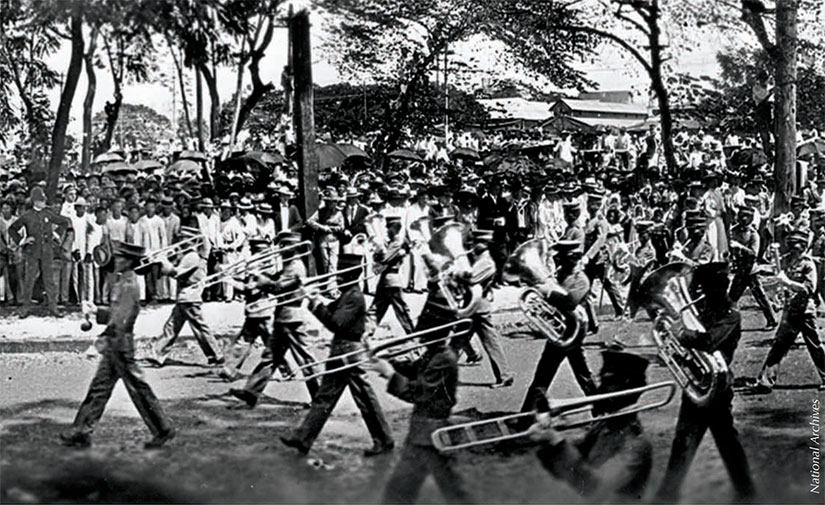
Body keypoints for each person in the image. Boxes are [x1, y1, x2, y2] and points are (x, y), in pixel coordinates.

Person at [58, 241, 175, 449]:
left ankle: (163, 428)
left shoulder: (129, 284)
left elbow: (122, 318)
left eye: (120, 258)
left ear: (129, 261)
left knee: (136, 389)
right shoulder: (124, 281)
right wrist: (96, 311)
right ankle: (82, 430)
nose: (116, 261)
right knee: (100, 388)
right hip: (117, 342)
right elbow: (116, 313)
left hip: (120, 343)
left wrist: (104, 337)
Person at [655, 262, 756, 501]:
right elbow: (685, 335)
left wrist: (681, 333)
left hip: (717, 385)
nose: (702, 291)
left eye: (709, 287)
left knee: (726, 442)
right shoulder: (700, 308)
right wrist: (667, 325)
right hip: (696, 382)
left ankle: (747, 494)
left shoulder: (731, 314)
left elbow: (709, 341)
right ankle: (667, 494)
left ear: (721, 286)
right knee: (683, 441)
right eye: (704, 287)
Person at [280, 254, 395, 456]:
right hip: (340, 351)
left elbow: (335, 323)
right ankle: (303, 438)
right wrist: (312, 296)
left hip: (351, 353)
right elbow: (330, 309)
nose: (336, 279)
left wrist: (315, 302)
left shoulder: (355, 297)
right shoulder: (347, 294)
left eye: (340, 277)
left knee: (365, 399)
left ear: (350, 276)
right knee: (324, 397)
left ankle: (384, 440)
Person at [527, 350, 653, 502]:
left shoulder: (636, 445)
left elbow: (595, 489)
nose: (600, 389)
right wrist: (548, 440)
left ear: (628, 388)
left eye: (609, 382)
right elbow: (573, 463)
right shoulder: (605, 425)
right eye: (601, 381)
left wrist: (557, 444)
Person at [368, 319, 472, 504]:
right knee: (446, 487)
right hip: (425, 431)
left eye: (423, 333)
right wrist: (390, 363)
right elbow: (415, 369)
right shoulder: (435, 353)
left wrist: (390, 374)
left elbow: (417, 393)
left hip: (429, 433)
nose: (419, 337)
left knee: (403, 489)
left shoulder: (444, 359)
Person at [230, 232, 319, 407]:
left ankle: (321, 397)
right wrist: (258, 278)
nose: (280, 249)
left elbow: (279, 288)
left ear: (292, 247)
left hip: (292, 319)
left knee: (306, 359)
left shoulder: (295, 267)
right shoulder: (289, 265)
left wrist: (262, 281)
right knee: (270, 357)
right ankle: (251, 392)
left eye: (284, 246)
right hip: (283, 317)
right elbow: (276, 281)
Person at [518, 240, 598, 412]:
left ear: (573, 258)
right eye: (559, 257)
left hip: (572, 331)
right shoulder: (561, 274)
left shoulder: (581, 280)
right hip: (562, 331)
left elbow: (570, 302)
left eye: (562, 258)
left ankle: (526, 416)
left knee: (546, 374)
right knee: (579, 374)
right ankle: (603, 408)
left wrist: (546, 292)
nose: (558, 261)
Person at [753, 230, 825, 392]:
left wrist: (787, 281)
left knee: (815, 346)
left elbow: (808, 289)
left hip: (805, 311)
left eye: (797, 247)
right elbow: (775, 276)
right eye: (791, 246)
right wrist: (773, 259)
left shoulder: (808, 264)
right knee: (779, 345)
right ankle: (765, 381)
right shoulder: (785, 260)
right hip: (790, 311)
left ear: (803, 248)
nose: (794, 250)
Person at [149, 226, 223, 367]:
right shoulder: (191, 256)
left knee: (198, 328)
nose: (181, 240)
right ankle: (158, 355)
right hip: (186, 297)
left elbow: (176, 273)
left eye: (184, 238)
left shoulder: (192, 256)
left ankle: (217, 355)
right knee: (172, 327)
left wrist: (164, 263)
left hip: (189, 297)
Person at [8, 187, 72, 317]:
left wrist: (56, 235)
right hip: (32, 252)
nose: (43, 202)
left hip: (47, 252)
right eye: (41, 200)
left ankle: (53, 307)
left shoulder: (48, 213)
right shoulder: (27, 215)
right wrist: (23, 240)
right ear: (35, 201)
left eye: (43, 200)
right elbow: (12, 229)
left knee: (49, 280)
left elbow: (65, 222)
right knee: (29, 280)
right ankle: (26, 307)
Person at [463, 229, 514, 388]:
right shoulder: (478, 260)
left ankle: (505, 375)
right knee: (458, 340)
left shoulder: (486, 263)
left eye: (476, 243)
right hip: (473, 307)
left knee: (489, 342)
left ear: (484, 244)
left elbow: (471, 279)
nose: (472, 245)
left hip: (478, 308)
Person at [728, 206, 777, 329]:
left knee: (760, 296)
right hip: (739, 269)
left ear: (750, 219)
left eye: (747, 217)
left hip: (751, 271)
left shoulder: (754, 234)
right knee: (732, 297)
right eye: (741, 216)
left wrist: (740, 247)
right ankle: (725, 322)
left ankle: (772, 320)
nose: (743, 219)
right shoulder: (733, 231)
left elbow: (754, 253)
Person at [369, 216, 415, 335]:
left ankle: (414, 336)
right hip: (387, 280)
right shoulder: (393, 242)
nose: (386, 230)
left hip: (391, 280)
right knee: (376, 309)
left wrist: (379, 250)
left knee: (400, 310)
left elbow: (384, 259)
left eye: (389, 227)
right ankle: (364, 334)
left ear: (395, 228)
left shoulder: (397, 242)